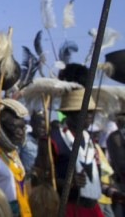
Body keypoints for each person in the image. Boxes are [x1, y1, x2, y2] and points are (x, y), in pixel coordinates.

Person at [47, 88, 105, 217]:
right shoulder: (53, 139)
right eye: (86, 111)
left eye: (91, 111)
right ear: (70, 114)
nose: (90, 115)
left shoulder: (90, 141)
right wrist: (68, 182)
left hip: (92, 208)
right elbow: (40, 179)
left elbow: (95, 179)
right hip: (67, 208)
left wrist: (110, 191)